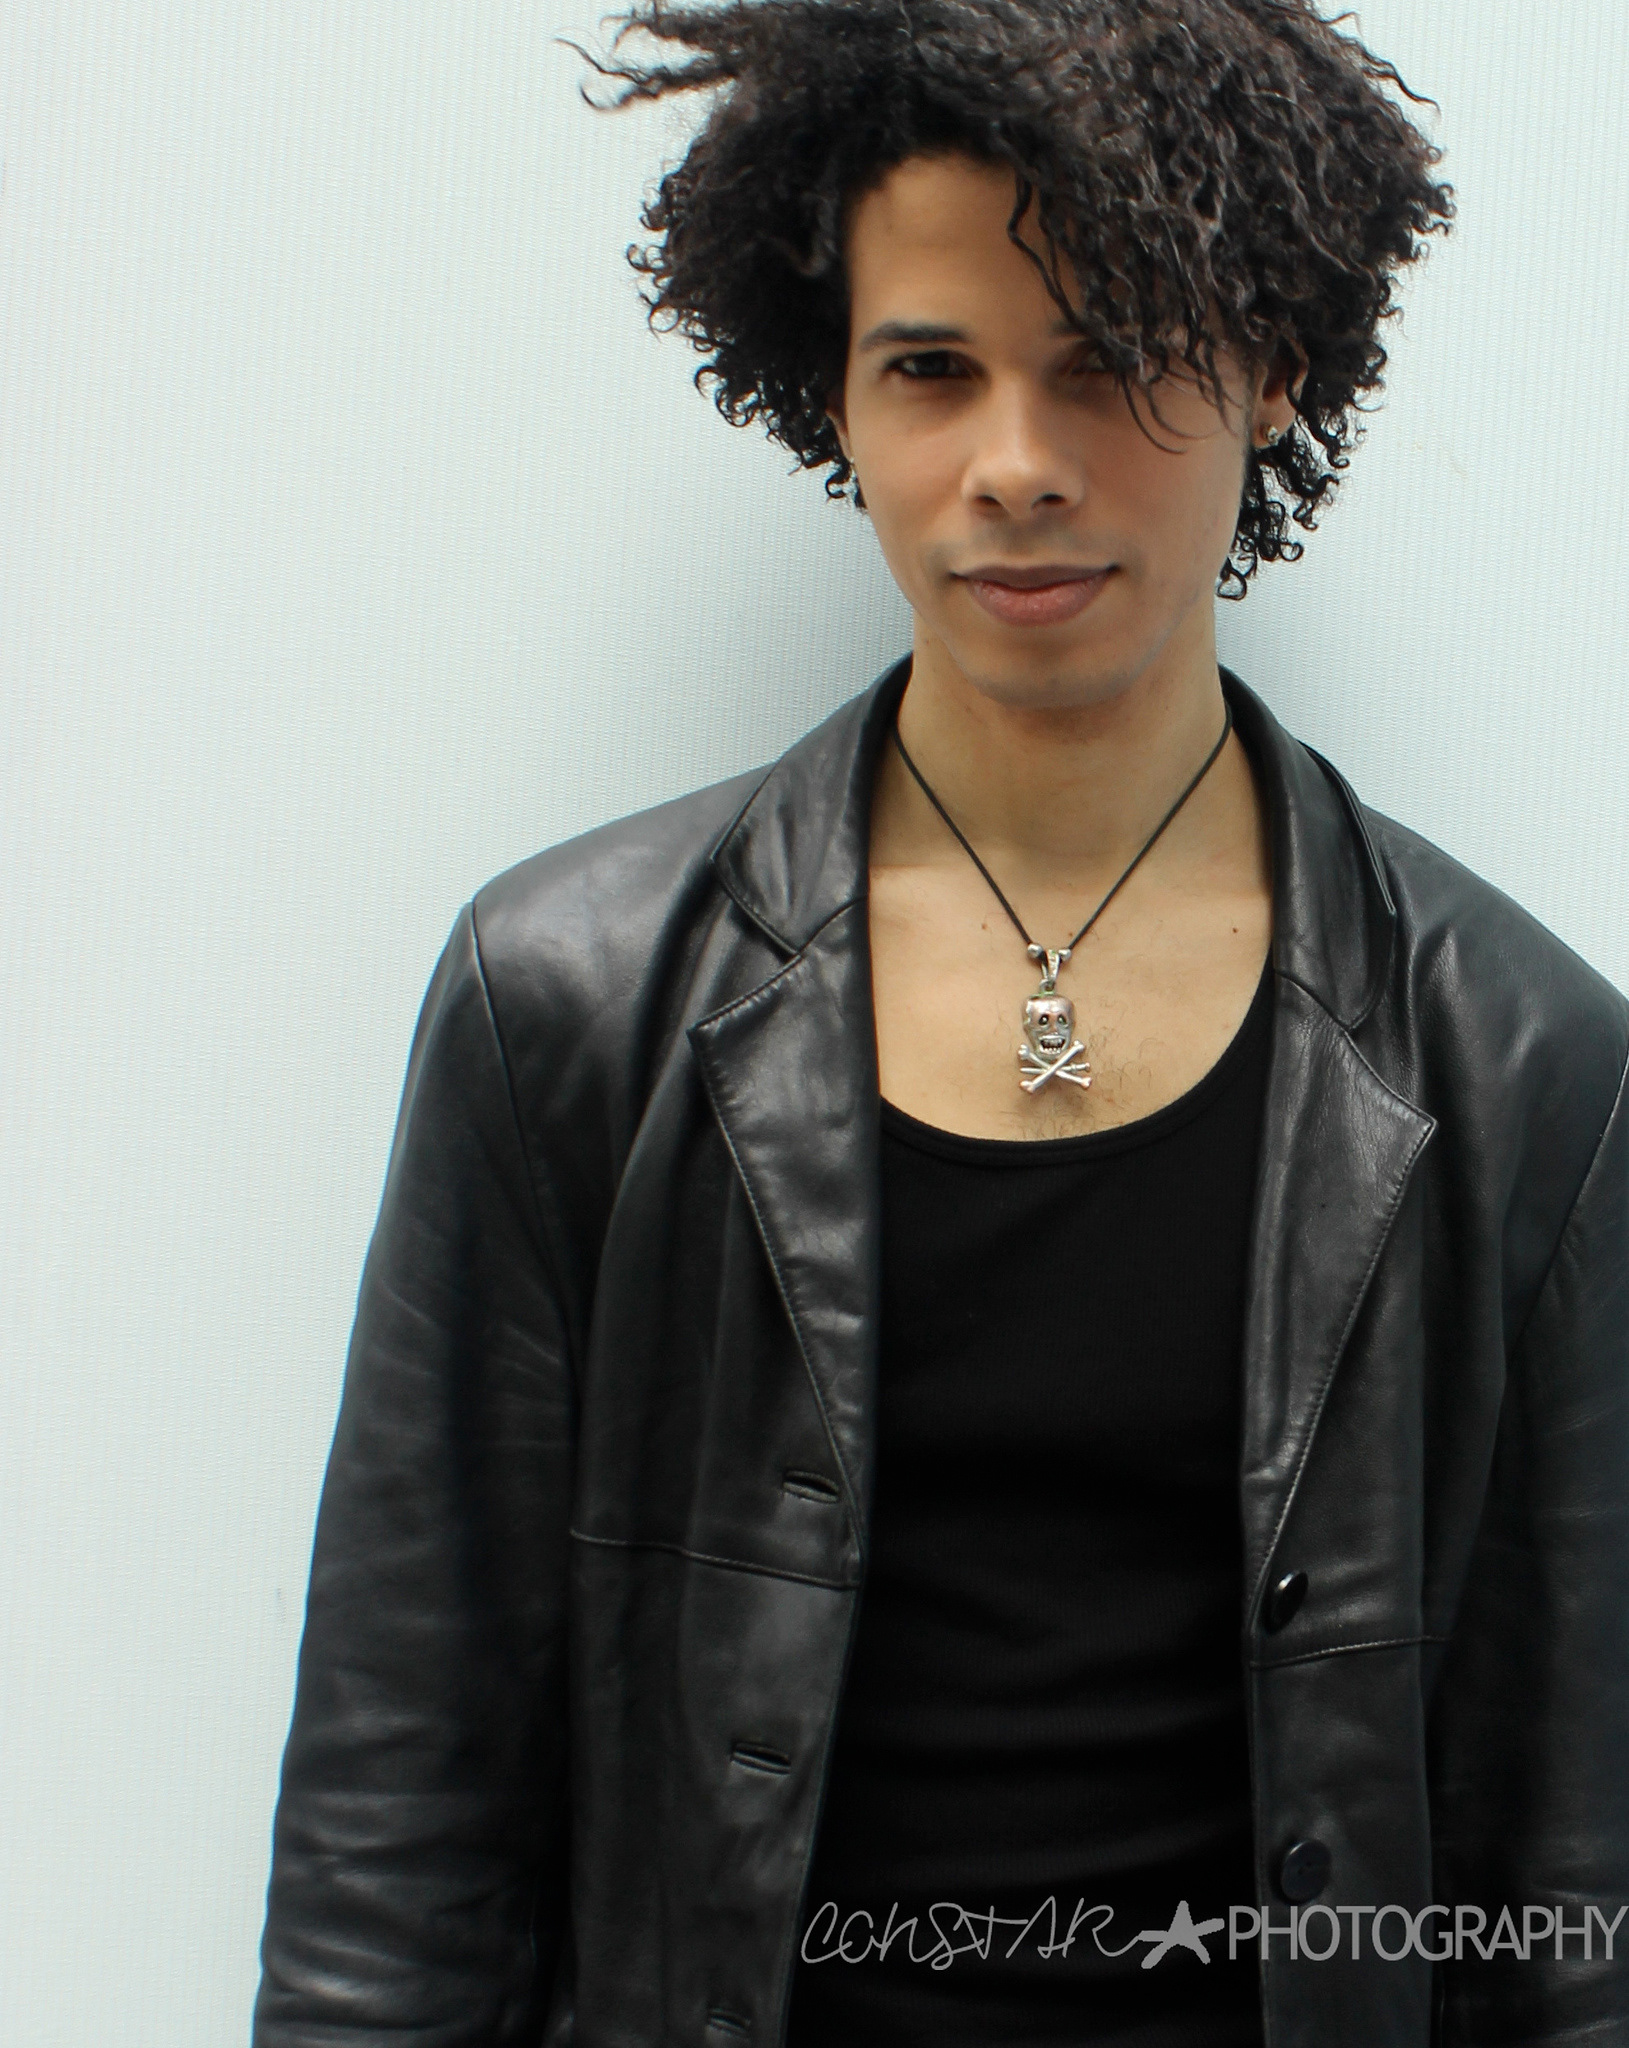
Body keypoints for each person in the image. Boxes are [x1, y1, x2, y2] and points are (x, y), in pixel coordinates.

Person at [252, 2, 1629, 2044]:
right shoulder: (566, 1005)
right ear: (825, 384)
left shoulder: (1518, 1064)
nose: (1015, 465)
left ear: (1271, 366)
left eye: (1110, 359)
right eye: (929, 369)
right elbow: (396, 1835)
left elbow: (1568, 1890)